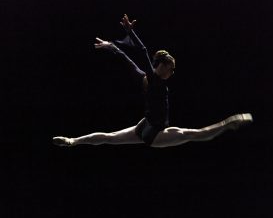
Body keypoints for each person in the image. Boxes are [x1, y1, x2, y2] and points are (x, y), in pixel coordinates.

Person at [53, 14, 253, 148]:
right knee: (193, 134)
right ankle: (229, 123)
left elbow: (126, 59)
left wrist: (111, 47)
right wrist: (131, 32)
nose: (172, 73)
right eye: (171, 69)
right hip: (155, 132)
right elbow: (142, 51)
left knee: (109, 137)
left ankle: (72, 141)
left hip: (145, 125)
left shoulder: (143, 76)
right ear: (163, 66)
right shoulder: (154, 79)